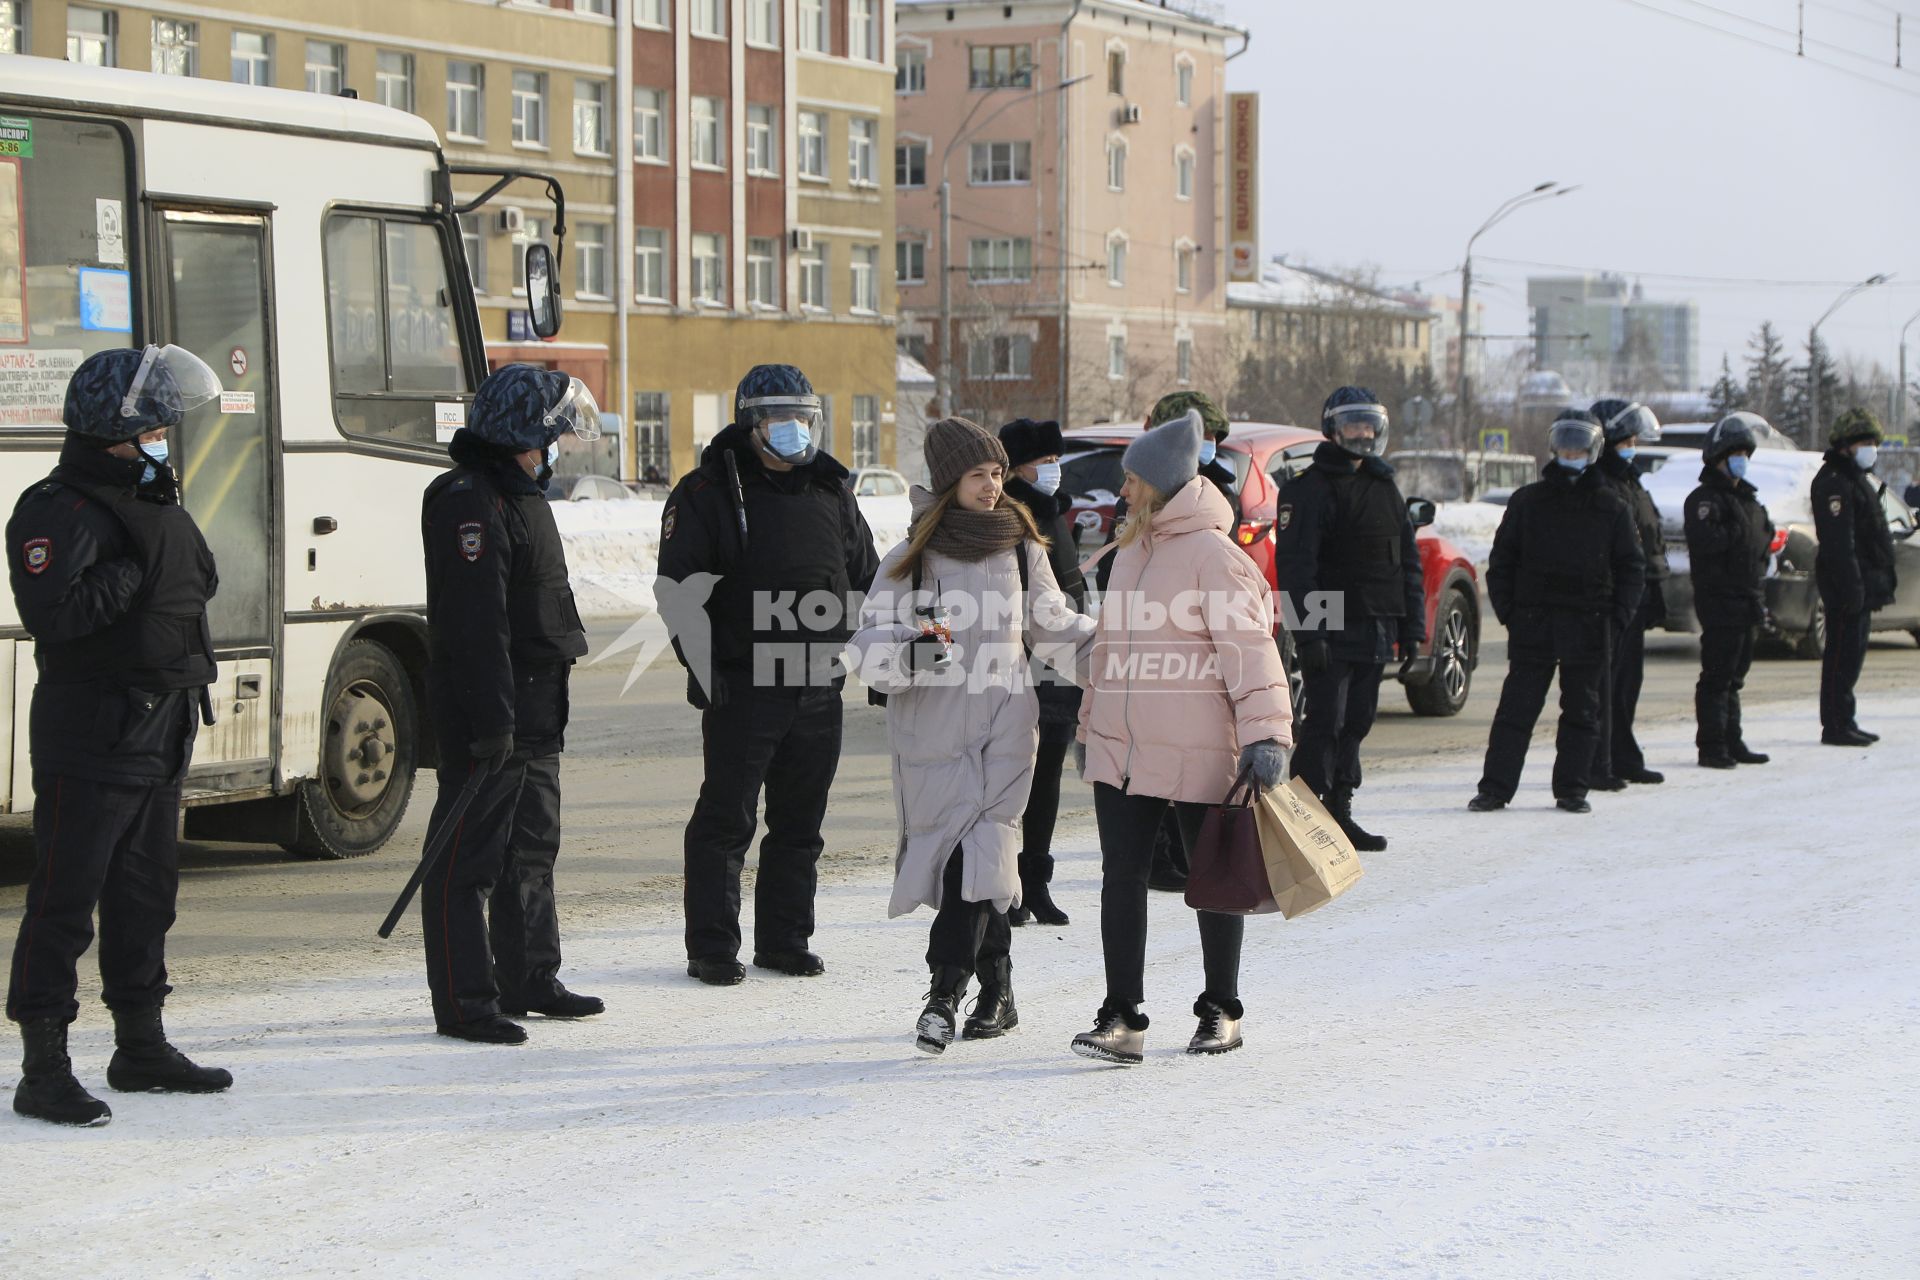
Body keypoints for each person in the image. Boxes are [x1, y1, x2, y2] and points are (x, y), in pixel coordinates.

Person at [7, 345, 229, 1126]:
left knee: (145, 900)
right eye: (158, 423)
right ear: (120, 428)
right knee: (65, 904)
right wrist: (137, 570)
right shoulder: (56, 507)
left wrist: (157, 561)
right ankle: (42, 1068)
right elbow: (55, 615)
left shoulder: (150, 496)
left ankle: (141, 1045)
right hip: (93, 733)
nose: (169, 434)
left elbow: (197, 581)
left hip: (161, 726)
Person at [851, 419, 1097, 1054]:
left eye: (997, 474)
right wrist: (911, 654)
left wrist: (1126, 664)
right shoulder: (910, 559)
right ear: (948, 481)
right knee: (973, 863)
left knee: (981, 854)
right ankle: (1000, 988)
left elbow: (1058, 630)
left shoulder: (1023, 548)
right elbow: (867, 649)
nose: (992, 487)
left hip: (1008, 725)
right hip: (932, 730)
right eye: (977, 475)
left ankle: (942, 995)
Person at [1070, 412, 1294, 1065]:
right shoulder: (1130, 553)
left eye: (1134, 480)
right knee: (1121, 877)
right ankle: (1121, 1018)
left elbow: (1252, 656)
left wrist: (1267, 738)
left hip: (1203, 749)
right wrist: (1091, 725)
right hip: (1125, 745)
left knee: (1216, 877)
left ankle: (1221, 1009)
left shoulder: (1215, 558)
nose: (1124, 491)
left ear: (1162, 484)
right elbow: (1109, 652)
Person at [659, 365, 880, 986]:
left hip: (816, 683)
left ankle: (784, 939)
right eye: (782, 419)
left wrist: (874, 654)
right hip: (744, 684)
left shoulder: (831, 490)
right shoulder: (707, 493)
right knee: (726, 820)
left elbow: (863, 577)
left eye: (804, 418)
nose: (796, 431)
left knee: (800, 824)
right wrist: (702, 668)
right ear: (751, 423)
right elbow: (680, 591)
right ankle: (712, 947)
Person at [417, 364, 604, 1044]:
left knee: (532, 852)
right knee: (467, 866)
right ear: (524, 431)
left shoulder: (521, 495)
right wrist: (492, 721)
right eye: (551, 431)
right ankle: (466, 1002)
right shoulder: (469, 499)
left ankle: (530, 977)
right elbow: (476, 626)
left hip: (536, 715)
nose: (556, 444)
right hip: (491, 722)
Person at [1469, 410, 1645, 814]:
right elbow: (1502, 563)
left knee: (1583, 710)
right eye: (1565, 445)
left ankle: (1572, 788)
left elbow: (1631, 570)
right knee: (1517, 709)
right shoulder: (1529, 501)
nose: (1571, 453)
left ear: (1593, 451)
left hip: (1590, 624)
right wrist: (1511, 613)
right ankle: (1495, 788)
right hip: (1535, 623)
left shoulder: (1611, 507)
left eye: (1580, 447)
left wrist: (1617, 619)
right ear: (1554, 448)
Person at [1273, 387, 1425, 852]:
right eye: (1353, 424)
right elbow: (1297, 568)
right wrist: (1310, 634)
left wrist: (1413, 628)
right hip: (1331, 625)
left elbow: (1407, 563)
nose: (1362, 432)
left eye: (1369, 424)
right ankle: (1297, 817)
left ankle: (1340, 809)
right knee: (1326, 722)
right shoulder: (1308, 489)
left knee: (1358, 720)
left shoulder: (1384, 486)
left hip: (1376, 622)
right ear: (1332, 430)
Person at [997, 417, 1086, 927]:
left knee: (1049, 772)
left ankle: (1037, 882)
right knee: (1014, 775)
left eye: (1057, 461)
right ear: (1017, 465)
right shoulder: (1007, 516)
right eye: (1044, 462)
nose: (1053, 470)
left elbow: (1069, 590)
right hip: (1017, 659)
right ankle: (1006, 884)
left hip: (1058, 658)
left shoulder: (1052, 514)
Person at [1682, 413, 1775, 769]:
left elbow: (1761, 539)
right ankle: (1711, 745)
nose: (1742, 461)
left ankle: (1732, 740)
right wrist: (1740, 534)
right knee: (1717, 676)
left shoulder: (1747, 500)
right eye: (1734, 454)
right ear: (1718, 458)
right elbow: (1707, 543)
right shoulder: (1705, 500)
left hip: (1748, 596)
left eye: (1745, 454)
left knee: (1736, 676)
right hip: (1720, 599)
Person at [1587, 399, 1671, 788]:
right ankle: (1597, 761)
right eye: (1627, 441)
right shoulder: (1599, 484)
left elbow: (1649, 539)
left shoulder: (1631, 482)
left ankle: (1623, 755)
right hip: (1609, 599)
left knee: (1627, 683)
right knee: (1606, 685)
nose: (1632, 447)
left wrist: (1653, 591)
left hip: (1636, 595)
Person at [1812, 408, 1897, 747]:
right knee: (1840, 657)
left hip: (1861, 584)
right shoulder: (1833, 481)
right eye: (1865, 442)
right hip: (1846, 586)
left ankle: (1845, 718)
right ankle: (1834, 725)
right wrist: (1853, 587)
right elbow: (1839, 543)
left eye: (1873, 443)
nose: (1871, 449)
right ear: (1846, 445)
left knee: (1853, 656)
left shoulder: (1855, 478)